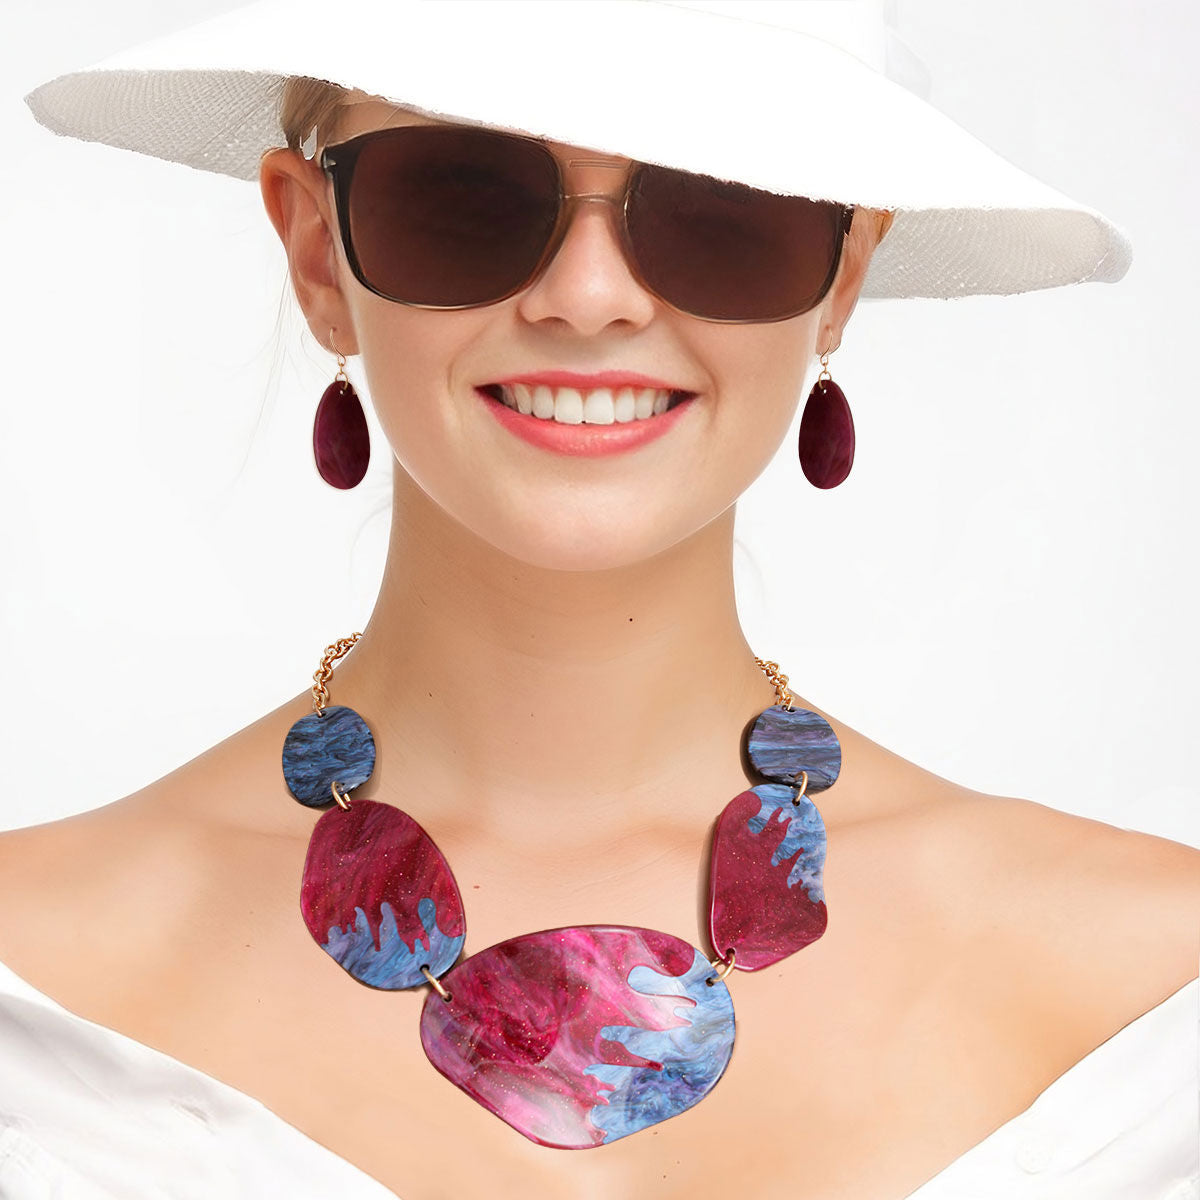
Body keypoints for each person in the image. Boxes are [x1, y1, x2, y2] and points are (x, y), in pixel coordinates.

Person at [1, 1, 1197, 1197]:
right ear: (320, 252)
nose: (587, 296)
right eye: (466, 191)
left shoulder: (1156, 977)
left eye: (719, 201)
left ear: (842, 275)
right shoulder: (34, 970)